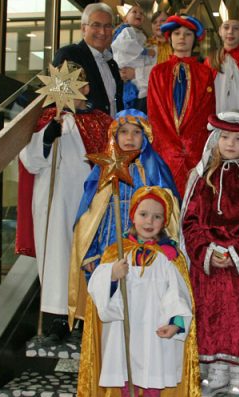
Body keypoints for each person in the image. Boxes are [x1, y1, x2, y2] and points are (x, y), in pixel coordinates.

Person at [180, 112, 239, 395]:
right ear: (214, 139)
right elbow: (190, 221)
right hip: (207, 266)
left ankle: (238, 380)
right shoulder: (201, 178)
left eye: (237, 138)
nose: (231, 143)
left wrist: (237, 253)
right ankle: (209, 378)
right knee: (209, 318)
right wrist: (206, 251)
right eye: (225, 137)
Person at [17, 65, 108, 344]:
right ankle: (57, 320)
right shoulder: (47, 119)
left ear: (86, 88)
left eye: (77, 83)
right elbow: (30, 160)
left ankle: (84, 318)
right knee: (56, 255)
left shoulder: (102, 121)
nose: (71, 89)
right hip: (53, 199)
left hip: (90, 199)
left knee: (86, 255)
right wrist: (46, 137)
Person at [79, 186, 200, 397]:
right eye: (143, 214)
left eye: (157, 217)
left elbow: (178, 294)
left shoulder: (169, 257)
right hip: (124, 331)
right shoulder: (116, 252)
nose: (149, 221)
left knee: (154, 377)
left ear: (164, 222)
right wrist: (112, 275)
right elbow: (98, 292)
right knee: (127, 376)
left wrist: (176, 324)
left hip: (155, 333)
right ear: (132, 215)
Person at [68, 109, 179, 325]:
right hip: (107, 248)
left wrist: (168, 245)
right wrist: (89, 253)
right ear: (114, 136)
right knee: (108, 304)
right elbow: (88, 215)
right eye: (124, 132)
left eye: (136, 132)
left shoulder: (155, 168)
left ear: (145, 136)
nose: (129, 138)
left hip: (144, 249)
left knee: (141, 307)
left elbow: (170, 211)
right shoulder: (104, 169)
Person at [147, 15, 216, 196]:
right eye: (177, 33)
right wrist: (170, 145)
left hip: (194, 148)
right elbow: (155, 112)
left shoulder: (205, 73)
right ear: (170, 38)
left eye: (187, 34)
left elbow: (207, 112)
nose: (182, 38)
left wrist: (190, 143)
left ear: (195, 40)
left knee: (193, 197)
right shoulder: (158, 72)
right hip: (166, 148)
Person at [53, 3, 123, 116]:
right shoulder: (69, 55)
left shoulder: (112, 64)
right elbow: (61, 101)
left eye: (108, 26)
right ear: (83, 28)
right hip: (78, 131)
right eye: (96, 25)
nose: (102, 32)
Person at [112, 3, 157, 112]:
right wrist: (145, 51)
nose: (139, 14)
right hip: (127, 63)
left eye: (141, 13)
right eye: (134, 12)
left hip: (135, 65)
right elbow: (127, 45)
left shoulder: (140, 34)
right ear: (125, 18)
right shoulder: (126, 30)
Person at [147, 0, 174, 65]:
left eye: (163, 21)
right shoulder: (146, 45)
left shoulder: (176, 44)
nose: (158, 24)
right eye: (155, 22)